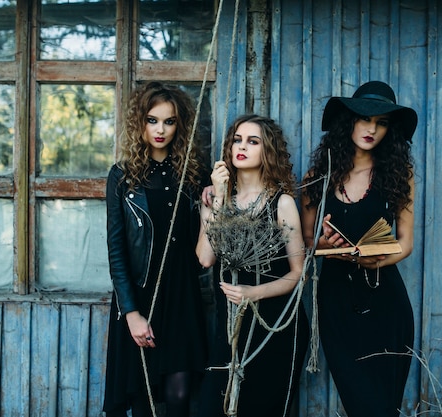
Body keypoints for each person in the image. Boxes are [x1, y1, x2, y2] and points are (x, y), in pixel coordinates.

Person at [301, 81, 417, 417]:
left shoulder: (399, 174)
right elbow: (307, 242)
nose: (372, 129)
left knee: (384, 407)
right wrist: (322, 246)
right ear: (348, 120)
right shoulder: (317, 176)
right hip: (337, 303)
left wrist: (375, 261)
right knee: (361, 405)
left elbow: (406, 242)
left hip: (386, 302)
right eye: (366, 119)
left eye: (382, 123)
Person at [103, 82, 208, 417]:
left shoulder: (194, 174)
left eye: (169, 121)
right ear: (141, 123)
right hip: (140, 296)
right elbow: (116, 249)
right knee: (143, 400)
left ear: (181, 125)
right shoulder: (122, 176)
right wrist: (131, 314)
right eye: (153, 120)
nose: (160, 129)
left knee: (179, 396)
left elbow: (206, 243)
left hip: (182, 294)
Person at [196, 114, 309, 417]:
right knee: (213, 406)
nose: (241, 147)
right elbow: (205, 257)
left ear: (267, 150)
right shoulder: (215, 200)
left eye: (253, 141)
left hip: (273, 324)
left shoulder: (280, 203)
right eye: (237, 139)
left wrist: (254, 292)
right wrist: (218, 196)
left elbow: (298, 273)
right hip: (230, 322)